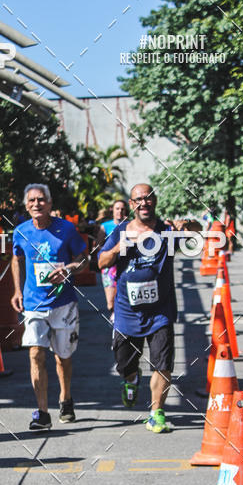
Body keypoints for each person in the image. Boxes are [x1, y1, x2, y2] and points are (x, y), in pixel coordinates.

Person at [98, 183, 179, 434]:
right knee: (124, 363)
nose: (144, 202)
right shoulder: (121, 231)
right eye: (138, 199)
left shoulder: (167, 231)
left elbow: (198, 234)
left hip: (160, 311)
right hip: (127, 312)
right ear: (132, 205)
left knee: (163, 363)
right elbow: (101, 262)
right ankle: (131, 379)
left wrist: (187, 225)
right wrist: (118, 248)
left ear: (155, 201)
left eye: (148, 197)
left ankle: (156, 413)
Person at [11, 184, 88, 430]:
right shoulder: (21, 232)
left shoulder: (66, 229)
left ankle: (65, 398)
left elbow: (84, 260)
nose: (36, 204)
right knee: (35, 354)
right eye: (32, 200)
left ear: (50, 203)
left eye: (41, 199)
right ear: (26, 205)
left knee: (63, 357)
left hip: (64, 303)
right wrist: (17, 290)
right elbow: (16, 259)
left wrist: (69, 269)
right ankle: (42, 412)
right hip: (34, 303)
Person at [98, 198, 129, 317]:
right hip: (110, 266)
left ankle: (121, 318)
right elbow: (99, 245)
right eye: (117, 209)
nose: (120, 211)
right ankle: (114, 316)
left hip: (126, 264)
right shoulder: (105, 226)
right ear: (112, 210)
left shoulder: (130, 225)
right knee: (110, 302)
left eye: (122, 209)